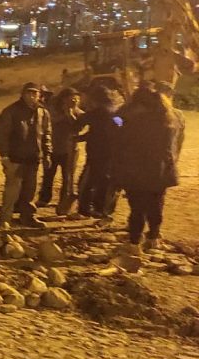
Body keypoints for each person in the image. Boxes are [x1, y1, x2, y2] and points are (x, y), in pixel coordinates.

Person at [115, 82, 185, 254]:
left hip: (136, 168)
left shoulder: (131, 118)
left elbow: (115, 125)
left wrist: (121, 111)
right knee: (156, 204)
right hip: (162, 168)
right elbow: (178, 142)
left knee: (137, 208)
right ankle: (153, 238)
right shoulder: (174, 116)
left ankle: (134, 243)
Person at [0, 82, 52, 229]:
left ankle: (28, 217)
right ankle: (6, 218)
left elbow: (47, 134)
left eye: (35, 93)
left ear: (39, 95)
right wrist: (4, 156)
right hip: (15, 158)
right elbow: (2, 135)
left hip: (34, 158)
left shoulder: (43, 112)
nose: (32, 96)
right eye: (29, 93)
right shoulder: (11, 111)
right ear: (23, 94)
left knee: (29, 190)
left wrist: (47, 154)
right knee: (12, 191)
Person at [74, 85, 119, 219]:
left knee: (88, 181)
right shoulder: (115, 112)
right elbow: (120, 125)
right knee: (105, 180)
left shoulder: (96, 112)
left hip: (96, 151)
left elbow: (80, 124)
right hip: (111, 151)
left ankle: (84, 209)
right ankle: (101, 208)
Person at [38, 87, 82, 214]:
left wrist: (70, 114)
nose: (74, 100)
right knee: (48, 174)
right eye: (71, 98)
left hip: (70, 150)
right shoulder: (53, 110)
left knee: (67, 178)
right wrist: (64, 114)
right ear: (63, 99)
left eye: (76, 98)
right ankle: (44, 198)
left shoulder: (77, 112)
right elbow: (49, 122)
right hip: (53, 148)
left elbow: (77, 128)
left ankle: (64, 202)